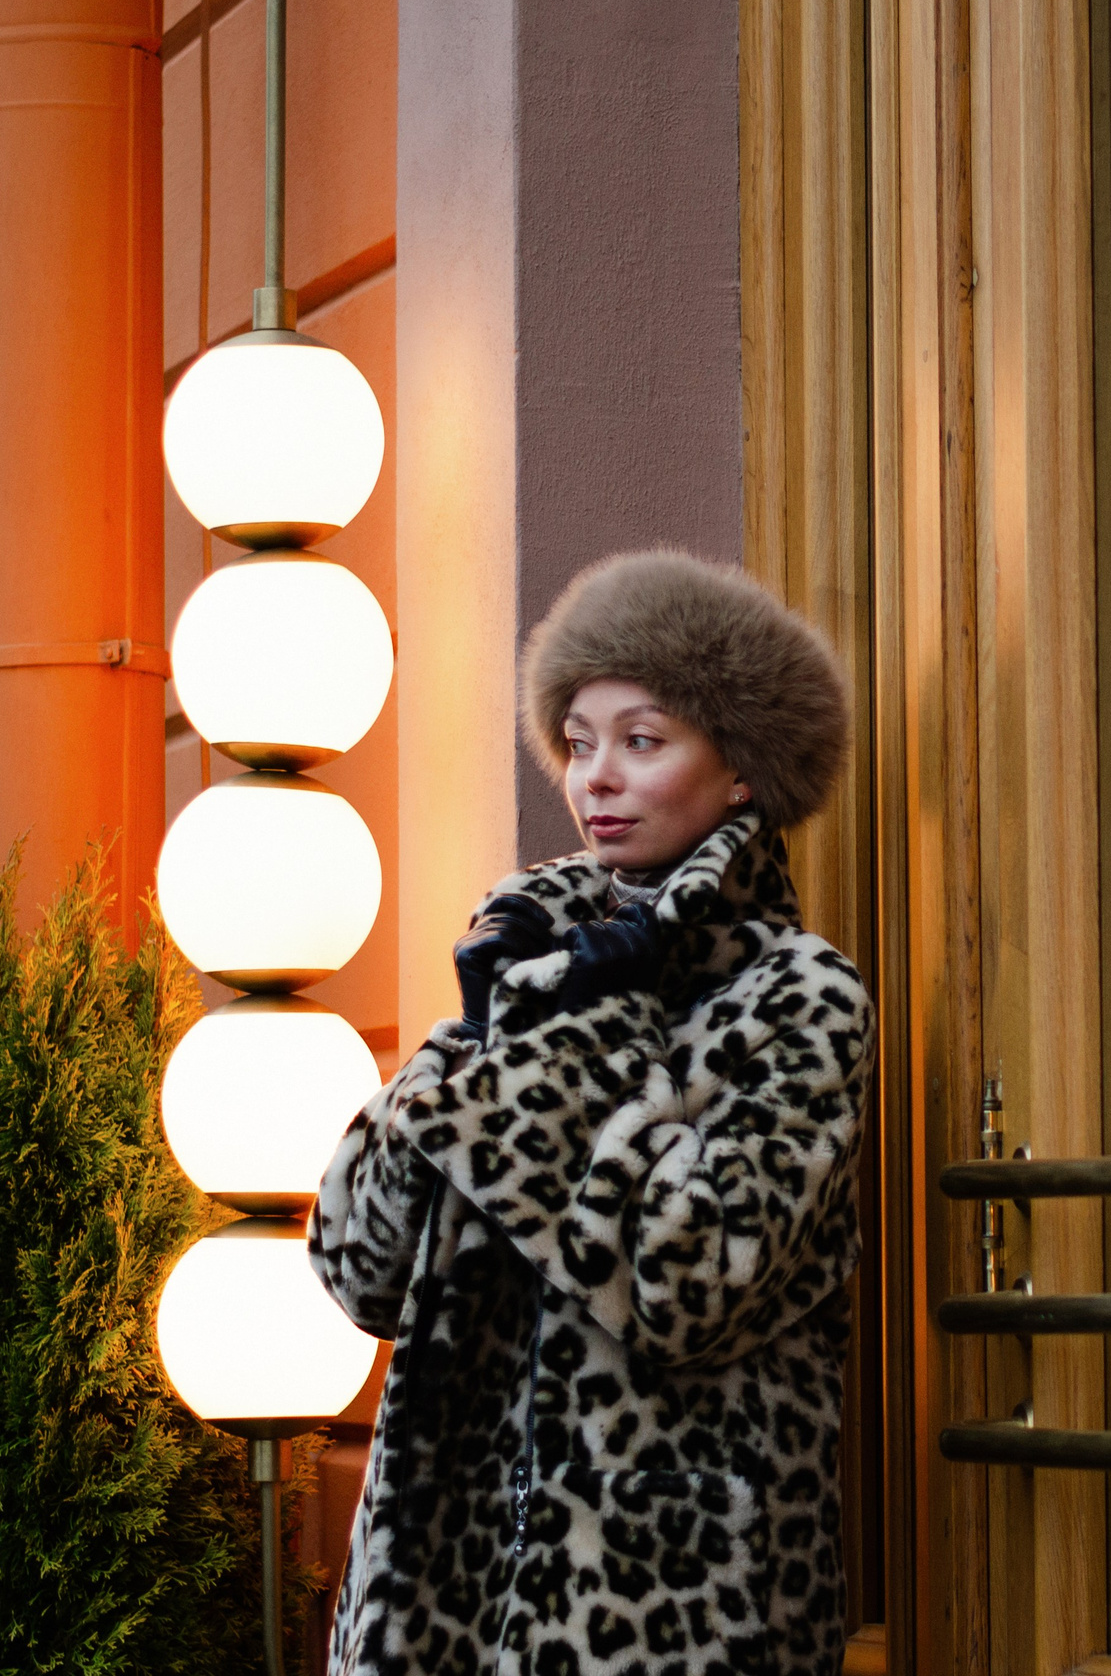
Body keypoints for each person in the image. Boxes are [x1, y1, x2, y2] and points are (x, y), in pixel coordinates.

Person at [309, 550, 873, 1676]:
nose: (596, 778)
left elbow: (688, 1287)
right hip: (437, 1599)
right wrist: (471, 1040)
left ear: (741, 771)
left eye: (642, 740)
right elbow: (358, 1270)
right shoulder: (529, 962)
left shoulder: (802, 997)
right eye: (578, 742)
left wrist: (579, 1036)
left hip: (666, 1600)